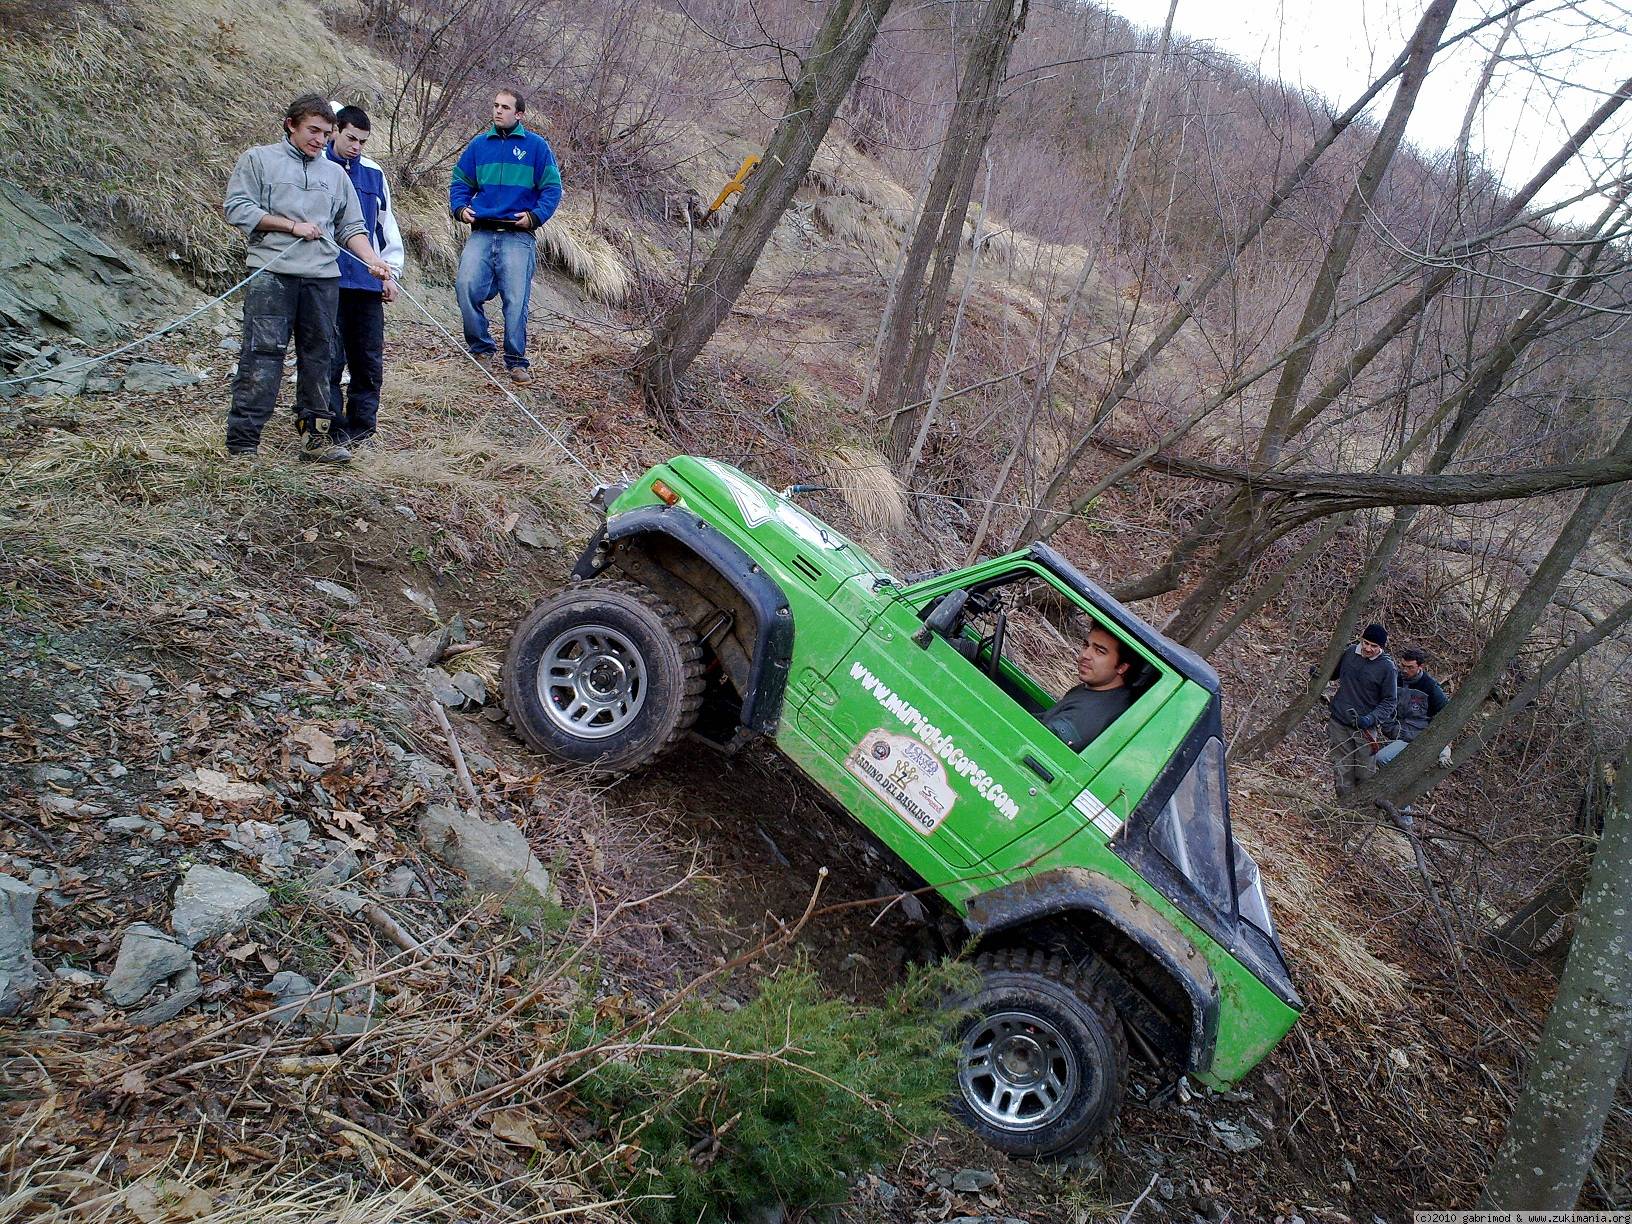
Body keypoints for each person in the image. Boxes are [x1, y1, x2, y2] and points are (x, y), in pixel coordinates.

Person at [223, 95, 391, 462]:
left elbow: (352, 227)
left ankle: (314, 437)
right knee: (262, 354)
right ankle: (243, 443)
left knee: (320, 357)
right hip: (272, 274)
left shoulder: (335, 174)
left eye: (326, 133)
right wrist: (290, 226)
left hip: (322, 279)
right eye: (313, 130)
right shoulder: (258, 160)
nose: (319, 139)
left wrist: (372, 261)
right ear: (291, 125)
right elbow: (237, 208)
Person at [448, 89, 562, 385]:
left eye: (505, 107)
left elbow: (552, 188)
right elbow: (460, 181)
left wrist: (535, 217)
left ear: (519, 114)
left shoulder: (536, 147)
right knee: (466, 286)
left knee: (515, 300)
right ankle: (481, 347)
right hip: (482, 230)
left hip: (517, 235)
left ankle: (516, 361)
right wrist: (460, 209)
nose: (498, 111)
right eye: (495, 105)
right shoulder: (478, 146)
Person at [324, 104, 404, 449]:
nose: (356, 146)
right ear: (335, 131)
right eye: (351, 138)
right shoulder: (317, 165)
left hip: (367, 281)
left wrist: (391, 273)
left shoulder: (373, 174)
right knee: (328, 357)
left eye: (362, 141)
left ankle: (362, 429)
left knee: (368, 360)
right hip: (326, 279)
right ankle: (328, 426)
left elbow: (384, 228)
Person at [1324, 623, 1398, 801]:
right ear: (1361, 639)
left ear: (1381, 648)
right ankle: (1343, 807)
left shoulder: (1387, 668)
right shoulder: (1350, 652)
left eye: (1374, 646)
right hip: (1339, 721)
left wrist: (1371, 719)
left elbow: (1390, 701)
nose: (1368, 648)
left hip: (1364, 728)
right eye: (1365, 643)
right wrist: (1319, 673)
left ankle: (1362, 808)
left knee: (1364, 773)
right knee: (1342, 769)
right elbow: (1333, 673)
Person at [1041, 625, 1136, 752]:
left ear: (1122, 667)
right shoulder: (1104, 691)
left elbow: (1043, 745)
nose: (1085, 655)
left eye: (1100, 651)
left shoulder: (1088, 714)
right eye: (1086, 645)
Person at [1376, 647, 1450, 766]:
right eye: (1403, 666)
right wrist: (1388, 726)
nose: (1405, 670)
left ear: (1420, 667)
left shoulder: (1430, 687)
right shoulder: (1395, 679)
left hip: (1419, 737)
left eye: (1410, 667)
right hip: (1396, 733)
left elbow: (1447, 715)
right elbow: (1383, 703)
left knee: (1382, 758)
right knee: (1376, 758)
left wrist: (1442, 746)